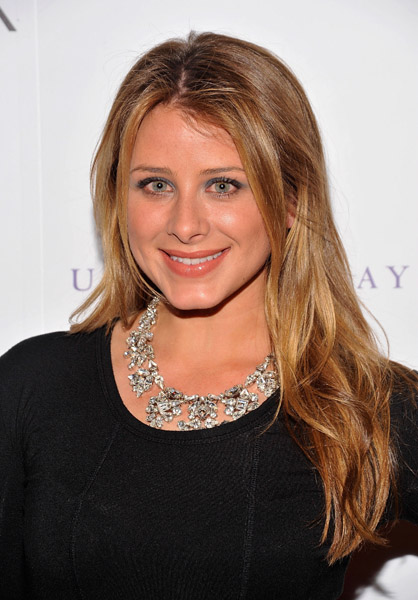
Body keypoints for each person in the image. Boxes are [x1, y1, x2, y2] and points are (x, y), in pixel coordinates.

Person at [0, 31, 417, 600]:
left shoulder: (363, 406)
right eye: (156, 185)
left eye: (223, 185)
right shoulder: (33, 384)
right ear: (119, 198)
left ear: (290, 199)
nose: (185, 224)